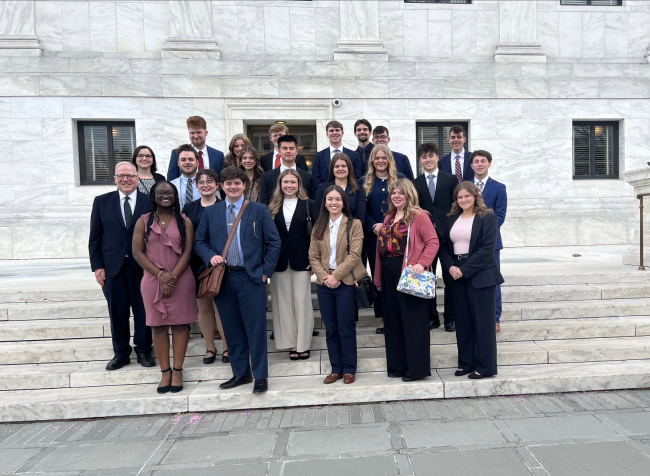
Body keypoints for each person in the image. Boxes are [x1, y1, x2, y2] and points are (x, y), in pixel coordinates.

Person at [194, 166, 281, 393]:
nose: (233, 187)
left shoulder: (258, 210)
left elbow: (274, 242)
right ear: (222, 186)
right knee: (232, 330)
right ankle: (241, 373)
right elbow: (199, 242)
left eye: (237, 183)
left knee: (256, 328)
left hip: (251, 278)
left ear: (245, 185)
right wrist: (209, 255)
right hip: (222, 279)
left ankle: (260, 376)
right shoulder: (211, 212)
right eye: (229, 183)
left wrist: (265, 271)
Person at [88, 162, 154, 371]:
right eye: (121, 176)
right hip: (112, 267)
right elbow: (95, 236)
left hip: (142, 266)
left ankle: (144, 350)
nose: (126, 179)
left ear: (137, 178)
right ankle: (121, 353)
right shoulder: (101, 202)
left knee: (144, 311)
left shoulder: (149, 202)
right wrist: (97, 266)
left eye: (130, 176)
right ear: (115, 179)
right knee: (117, 312)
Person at [132, 181, 196, 393]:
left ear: (176, 196)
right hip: (152, 279)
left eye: (169, 192)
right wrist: (160, 275)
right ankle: (165, 372)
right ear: (153, 196)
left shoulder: (184, 221)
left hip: (181, 278)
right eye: (160, 192)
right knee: (157, 326)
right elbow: (137, 252)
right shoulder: (143, 221)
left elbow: (187, 252)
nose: (165, 195)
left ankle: (177, 370)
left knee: (179, 325)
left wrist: (172, 277)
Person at [374, 179, 438, 382]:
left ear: (409, 194)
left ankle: (416, 369)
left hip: (409, 272)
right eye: (393, 193)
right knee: (392, 321)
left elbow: (433, 241)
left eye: (401, 193)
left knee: (412, 322)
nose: (396, 196)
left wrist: (422, 263)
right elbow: (381, 249)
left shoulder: (418, 215)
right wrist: (378, 276)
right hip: (388, 270)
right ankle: (397, 366)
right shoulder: (389, 216)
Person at [439, 182, 504, 379]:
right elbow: (443, 247)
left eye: (467, 195)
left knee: (483, 324)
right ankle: (466, 363)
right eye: (459, 197)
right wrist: (450, 266)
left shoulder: (488, 217)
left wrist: (464, 270)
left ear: (475, 196)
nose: (463, 199)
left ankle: (485, 367)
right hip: (456, 275)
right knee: (463, 323)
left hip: (480, 275)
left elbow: (486, 250)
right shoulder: (452, 218)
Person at [309, 185, 367, 385]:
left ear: (344, 202)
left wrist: (337, 276)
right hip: (325, 284)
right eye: (330, 199)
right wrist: (326, 277)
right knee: (331, 328)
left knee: (346, 327)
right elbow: (313, 256)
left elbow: (355, 255)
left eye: (338, 199)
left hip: (345, 282)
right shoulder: (318, 226)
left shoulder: (354, 224)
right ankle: (336, 368)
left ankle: (350, 368)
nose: (334, 202)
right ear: (324, 202)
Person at [268, 169, 319, 360]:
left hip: (302, 260)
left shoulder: (309, 205)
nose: (289, 185)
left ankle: (303, 344)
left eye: (293, 182)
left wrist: (315, 260)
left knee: (302, 301)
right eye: (285, 182)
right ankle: (290, 343)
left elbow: (317, 234)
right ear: (280, 184)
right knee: (283, 303)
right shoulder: (272, 206)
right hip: (278, 261)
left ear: (299, 184)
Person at [181, 169, 229, 364]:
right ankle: (210, 348)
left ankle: (227, 347)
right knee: (203, 307)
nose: (205, 185)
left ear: (217, 184)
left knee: (221, 308)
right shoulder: (189, 208)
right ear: (196, 186)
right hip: (196, 264)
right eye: (201, 182)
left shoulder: (225, 205)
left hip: (220, 263)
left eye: (210, 181)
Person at [411, 142, 458, 332]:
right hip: (425, 239)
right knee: (427, 277)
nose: (428, 160)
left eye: (431, 156)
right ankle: (432, 317)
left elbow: (457, 206)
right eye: (424, 157)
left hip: (447, 237)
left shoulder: (451, 179)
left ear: (437, 157)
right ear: (420, 160)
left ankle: (450, 318)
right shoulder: (416, 183)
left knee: (450, 278)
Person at [360, 144, 405, 334]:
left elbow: (407, 204)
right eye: (376, 157)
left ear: (389, 159)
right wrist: (374, 225)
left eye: (383, 157)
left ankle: (401, 314)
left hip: (398, 237)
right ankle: (383, 317)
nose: (380, 161)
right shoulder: (364, 182)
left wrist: (389, 225)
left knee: (396, 274)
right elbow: (361, 210)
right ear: (372, 160)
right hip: (374, 236)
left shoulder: (400, 179)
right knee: (379, 276)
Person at [471, 150, 507, 332]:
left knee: (492, 279)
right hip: (468, 243)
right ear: (471, 165)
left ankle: (494, 318)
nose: (479, 164)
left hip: (491, 243)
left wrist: (484, 233)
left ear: (489, 164)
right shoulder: (465, 186)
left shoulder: (499, 188)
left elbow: (500, 216)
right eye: (476, 161)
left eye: (483, 161)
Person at [259, 135, 315, 204]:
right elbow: (264, 205)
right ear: (279, 151)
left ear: (296, 151)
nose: (288, 151)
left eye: (291, 148)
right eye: (284, 148)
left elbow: (312, 204)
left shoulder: (308, 177)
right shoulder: (267, 177)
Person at [167, 116, 225, 181]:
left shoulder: (218, 155)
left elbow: (222, 181)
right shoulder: (177, 153)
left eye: (198, 132)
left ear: (206, 133)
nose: (195, 136)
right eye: (192, 133)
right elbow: (171, 181)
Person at [314, 152, 366, 223]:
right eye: (337, 166)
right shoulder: (322, 188)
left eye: (343, 166)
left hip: (351, 232)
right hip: (326, 231)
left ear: (349, 168)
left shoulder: (358, 190)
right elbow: (318, 214)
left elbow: (360, 218)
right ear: (332, 169)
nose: (340, 169)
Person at [312, 121, 362, 188]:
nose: (334, 133)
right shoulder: (318, 156)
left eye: (337, 130)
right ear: (327, 134)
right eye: (331, 130)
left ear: (342, 133)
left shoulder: (354, 155)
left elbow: (357, 178)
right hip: (325, 195)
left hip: (349, 195)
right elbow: (316, 179)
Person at [170, 144, 200, 209]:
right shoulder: (171, 185)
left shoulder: (209, 185)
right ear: (178, 163)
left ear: (197, 162)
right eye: (183, 160)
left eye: (190, 159)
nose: (187, 162)